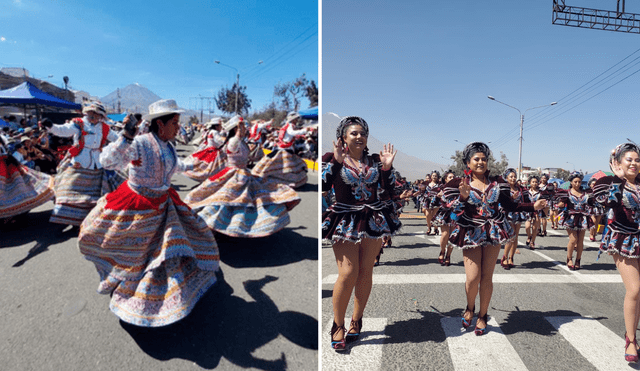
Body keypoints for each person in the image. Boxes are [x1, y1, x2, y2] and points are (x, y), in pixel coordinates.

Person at [77, 99, 220, 327]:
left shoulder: (169, 145)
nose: (178, 127)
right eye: (174, 122)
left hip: (164, 203)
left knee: (170, 249)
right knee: (139, 256)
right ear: (160, 124)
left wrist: (202, 162)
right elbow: (107, 161)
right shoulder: (141, 143)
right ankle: (136, 298)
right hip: (138, 205)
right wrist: (125, 136)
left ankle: (168, 293)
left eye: (177, 122)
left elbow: (178, 166)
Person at [443, 142, 545, 335]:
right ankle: (470, 308)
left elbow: (510, 206)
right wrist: (463, 198)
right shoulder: (458, 184)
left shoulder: (497, 183)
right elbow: (449, 210)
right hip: (471, 231)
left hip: (494, 231)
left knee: (486, 277)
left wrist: (533, 206)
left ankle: (482, 315)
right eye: (476, 159)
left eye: (484, 159)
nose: (481, 162)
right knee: (472, 278)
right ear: (467, 162)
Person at [322, 116, 400, 351]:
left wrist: (386, 168)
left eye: (362, 133)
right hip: (345, 219)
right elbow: (324, 185)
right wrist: (336, 162)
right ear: (343, 137)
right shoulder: (332, 158)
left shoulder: (376, 160)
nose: (359, 137)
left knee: (366, 271)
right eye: (353, 133)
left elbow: (390, 188)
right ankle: (338, 324)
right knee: (348, 272)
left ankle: (356, 320)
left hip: (373, 220)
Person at [184, 115, 300, 237]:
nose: (245, 128)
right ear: (236, 128)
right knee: (227, 200)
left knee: (249, 200)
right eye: (242, 126)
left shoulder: (241, 141)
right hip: (234, 174)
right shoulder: (234, 141)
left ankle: (242, 226)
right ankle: (217, 225)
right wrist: (239, 133)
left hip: (244, 173)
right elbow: (232, 148)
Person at [42, 101, 123, 228]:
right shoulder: (78, 123)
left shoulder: (105, 127)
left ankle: (89, 218)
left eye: (96, 114)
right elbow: (63, 130)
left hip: (97, 163)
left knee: (95, 195)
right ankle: (66, 217)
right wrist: (51, 126)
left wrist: (130, 136)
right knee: (68, 189)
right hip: (79, 161)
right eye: (91, 113)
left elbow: (118, 139)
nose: (93, 115)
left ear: (101, 116)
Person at [593, 143, 640, 362]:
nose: (633, 163)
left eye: (637, 160)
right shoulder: (608, 182)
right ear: (618, 162)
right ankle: (631, 340)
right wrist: (618, 179)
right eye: (629, 159)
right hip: (622, 239)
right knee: (634, 289)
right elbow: (606, 203)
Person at [0, 134, 54, 221]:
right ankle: (11, 214)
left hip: (6, 167)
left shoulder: (3, 143)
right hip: (7, 166)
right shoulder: (3, 143)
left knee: (15, 190)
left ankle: (11, 215)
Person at [251, 111, 310, 188]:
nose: (297, 120)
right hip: (285, 149)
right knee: (286, 166)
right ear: (292, 119)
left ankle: (282, 179)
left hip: (285, 148)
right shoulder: (290, 126)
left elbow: (290, 135)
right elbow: (292, 133)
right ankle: (285, 181)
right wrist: (305, 130)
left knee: (282, 165)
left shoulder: (287, 125)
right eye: (296, 119)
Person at [554, 171, 596, 270]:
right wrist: (557, 205)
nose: (577, 184)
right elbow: (561, 203)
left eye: (579, 182)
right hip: (570, 218)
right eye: (575, 182)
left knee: (580, 240)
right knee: (573, 239)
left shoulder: (586, 193)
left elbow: (591, 203)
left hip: (583, 218)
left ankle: (578, 260)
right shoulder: (566, 193)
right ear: (571, 182)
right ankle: (569, 259)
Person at [182, 117, 226, 182]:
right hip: (213, 151)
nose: (221, 127)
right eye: (220, 126)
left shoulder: (211, 131)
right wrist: (226, 140)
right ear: (216, 126)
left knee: (205, 165)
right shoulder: (215, 132)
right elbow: (219, 140)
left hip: (209, 149)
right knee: (212, 167)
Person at [501, 168, 529, 270]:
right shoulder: (504, 189)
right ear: (506, 178)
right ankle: (504, 257)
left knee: (516, 237)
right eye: (511, 176)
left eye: (514, 176)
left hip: (518, 214)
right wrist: (511, 198)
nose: (513, 178)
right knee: (511, 237)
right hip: (508, 215)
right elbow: (502, 202)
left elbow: (526, 200)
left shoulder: (521, 189)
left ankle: (511, 258)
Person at [433, 170, 457, 266]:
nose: (452, 179)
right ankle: (442, 251)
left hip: (456, 214)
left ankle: (448, 256)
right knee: (445, 234)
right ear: (445, 179)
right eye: (450, 177)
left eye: (453, 177)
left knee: (452, 236)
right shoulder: (441, 189)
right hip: (444, 214)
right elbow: (434, 202)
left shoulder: (459, 189)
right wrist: (438, 197)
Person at [524, 175, 543, 249]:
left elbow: (544, 202)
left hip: (537, 212)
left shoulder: (541, 192)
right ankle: (529, 236)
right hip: (528, 211)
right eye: (533, 182)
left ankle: (532, 242)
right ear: (530, 183)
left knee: (535, 228)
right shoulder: (526, 192)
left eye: (536, 182)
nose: (534, 183)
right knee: (527, 227)